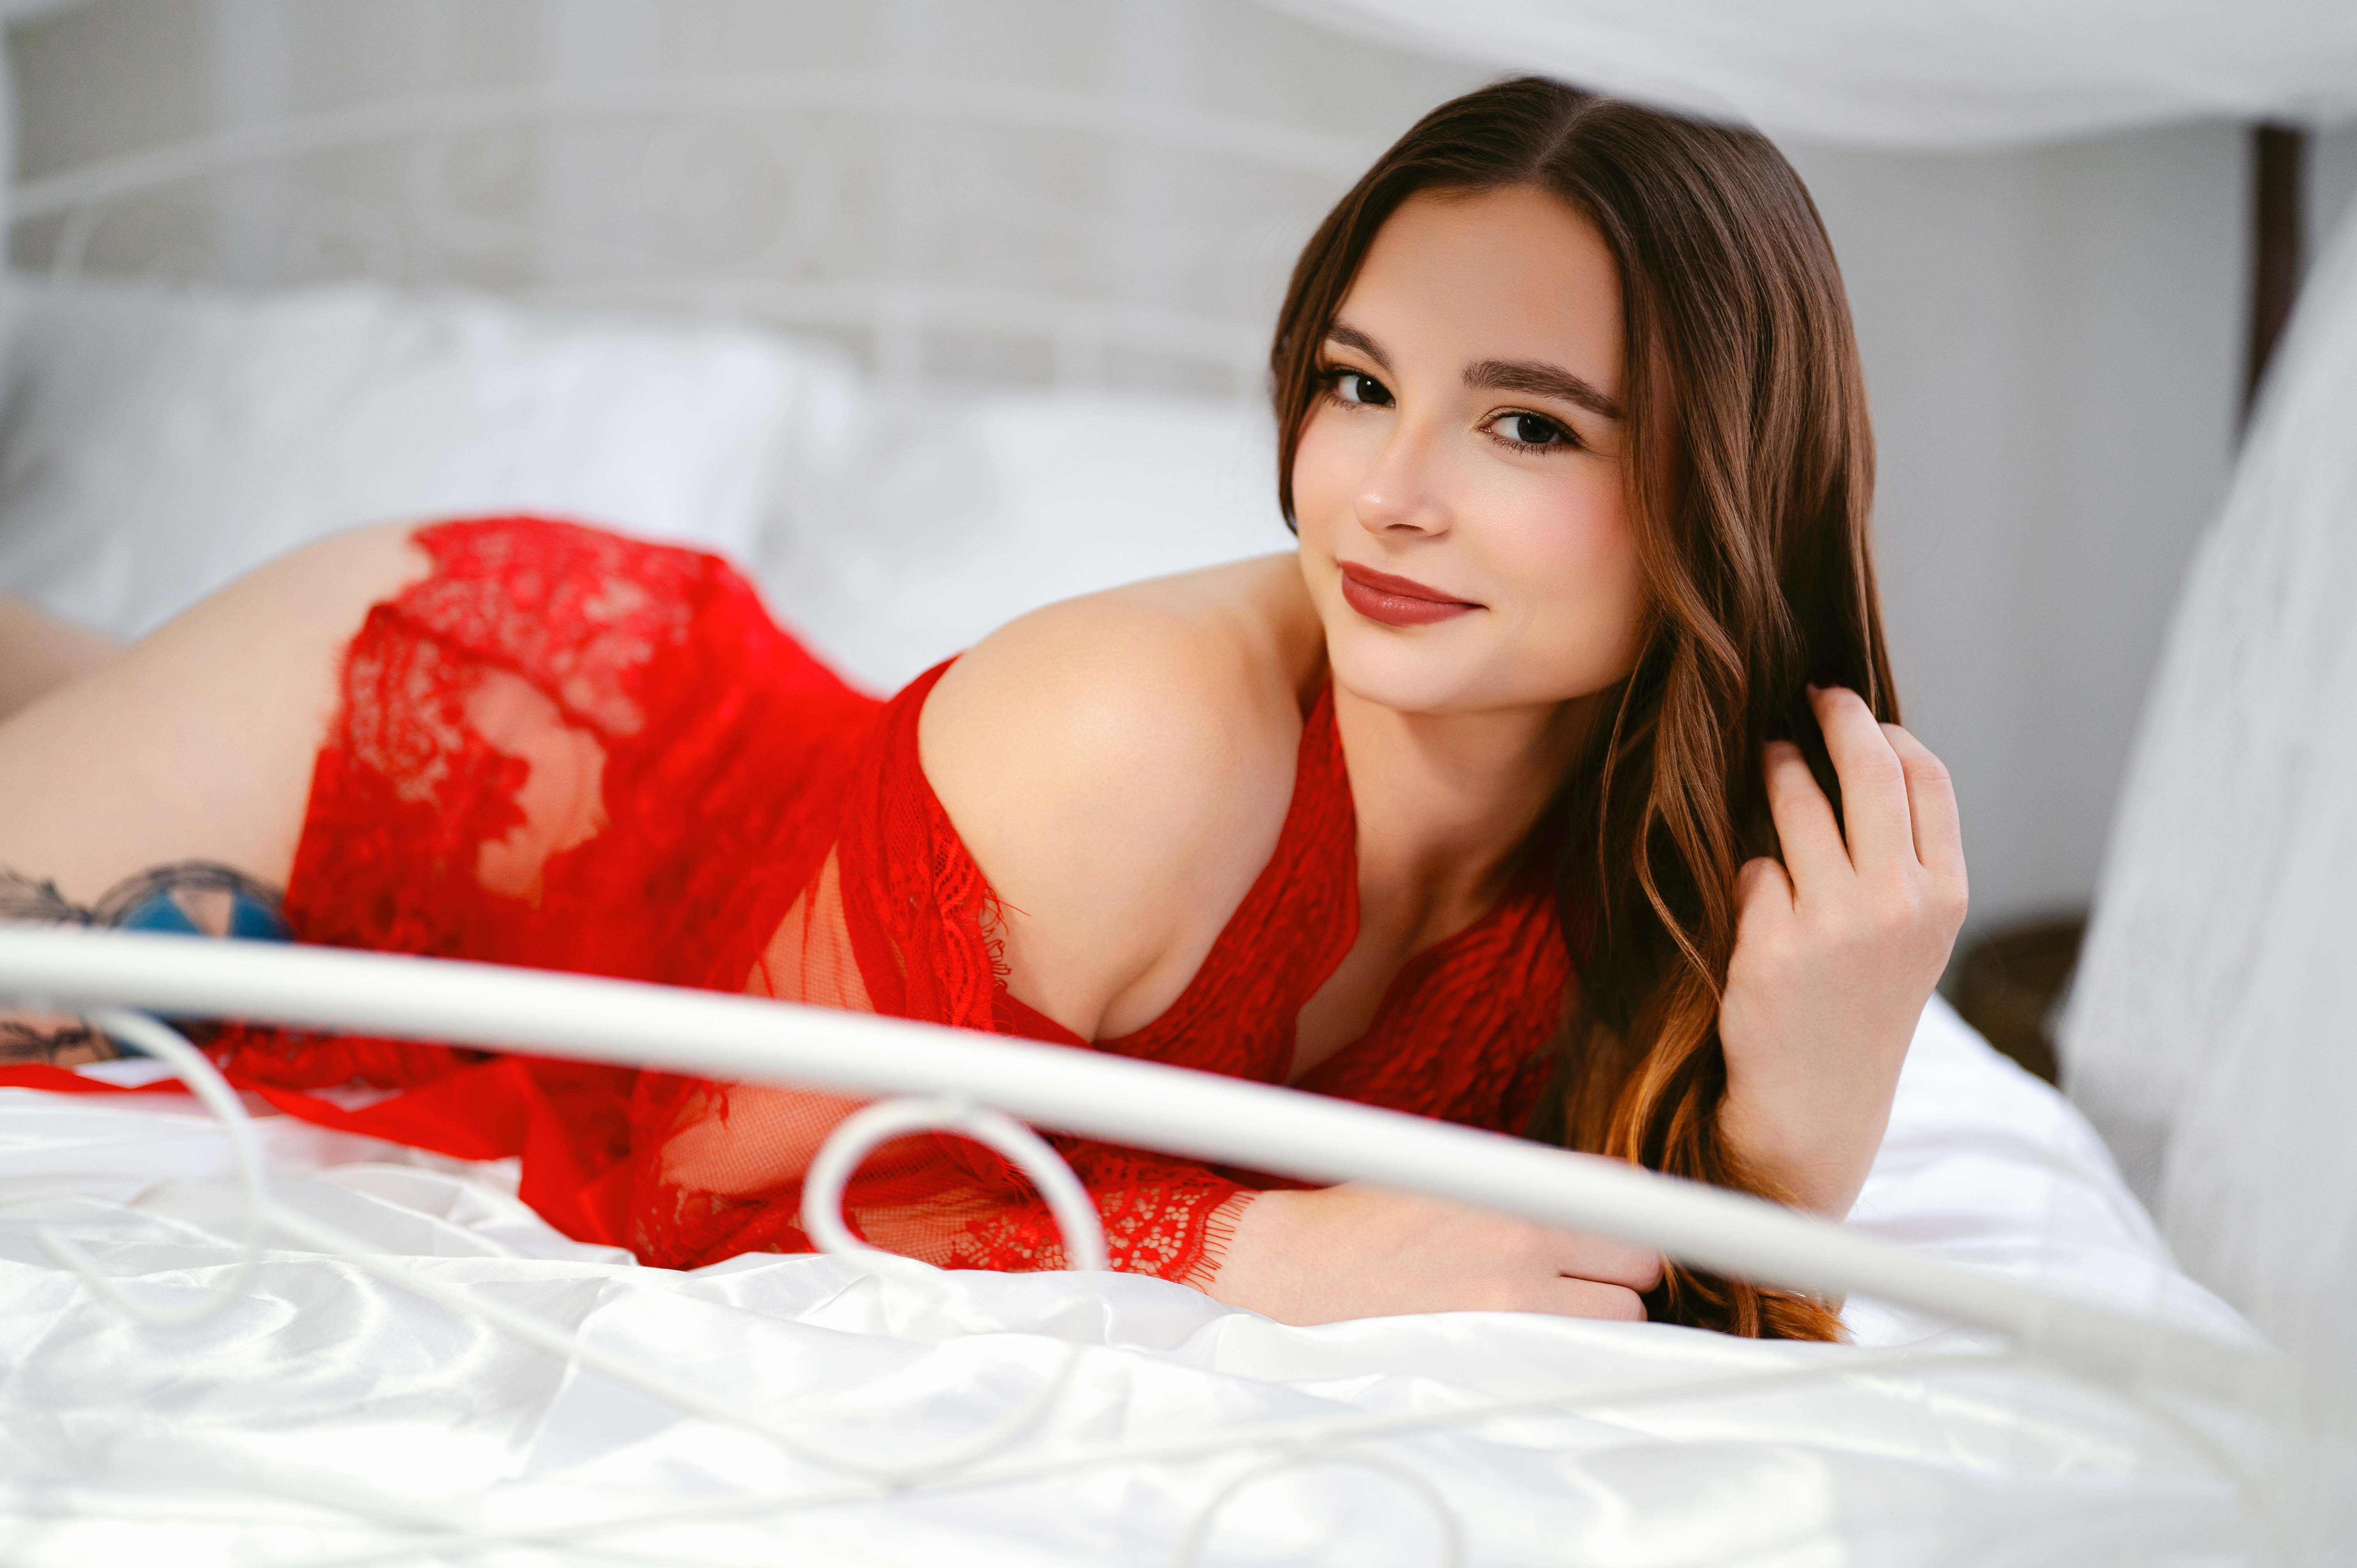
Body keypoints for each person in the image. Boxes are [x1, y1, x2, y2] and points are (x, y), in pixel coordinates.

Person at [0, 78, 1964, 1339]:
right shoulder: (1137, 735)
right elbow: (694, 1172)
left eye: (1525, 421)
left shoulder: (1743, 848)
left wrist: (1812, 1125)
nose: (1386, 489)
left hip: (757, 784)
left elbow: (1686, 1322)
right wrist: (1247, 1252)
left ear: (1721, 486)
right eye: (1357, 383)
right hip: (478, 744)